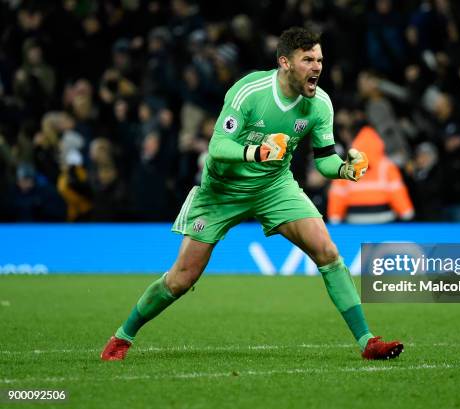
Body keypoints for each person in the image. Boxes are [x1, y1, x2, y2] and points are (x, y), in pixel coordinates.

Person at [101, 27, 403, 361]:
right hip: (222, 191)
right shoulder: (250, 91)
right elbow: (217, 147)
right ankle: (122, 337)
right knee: (180, 280)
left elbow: (324, 160)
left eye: (319, 59)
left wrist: (345, 170)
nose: (317, 67)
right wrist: (256, 152)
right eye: (308, 60)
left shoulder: (320, 104)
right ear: (285, 62)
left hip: (274, 186)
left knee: (328, 252)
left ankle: (367, 341)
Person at [327, 125, 414, 224]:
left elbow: (338, 194)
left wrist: (335, 217)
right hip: (384, 220)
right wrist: (406, 212)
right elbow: (397, 192)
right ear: (379, 144)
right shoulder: (387, 166)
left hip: (355, 220)